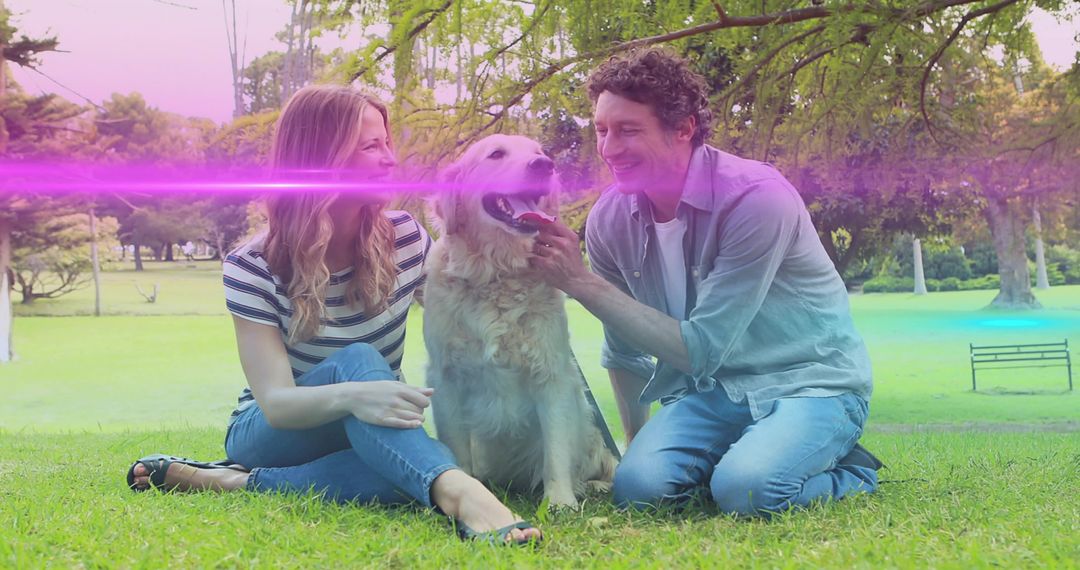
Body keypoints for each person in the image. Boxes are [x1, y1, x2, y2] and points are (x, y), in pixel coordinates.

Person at [126, 85, 542, 545]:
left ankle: (232, 481)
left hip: (368, 425)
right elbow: (278, 404)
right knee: (360, 359)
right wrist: (353, 396)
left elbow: (472, 314)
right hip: (270, 431)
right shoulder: (252, 265)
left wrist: (535, 280)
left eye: (387, 143)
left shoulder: (406, 238)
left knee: (411, 472)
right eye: (371, 146)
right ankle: (464, 497)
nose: (390, 159)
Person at [529, 48, 882, 517]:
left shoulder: (757, 200)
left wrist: (580, 282)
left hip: (810, 383)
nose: (609, 148)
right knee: (639, 490)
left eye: (628, 130)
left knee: (750, 492)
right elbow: (624, 348)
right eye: (602, 130)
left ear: (684, 128)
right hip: (713, 394)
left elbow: (702, 349)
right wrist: (638, 449)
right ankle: (747, 455)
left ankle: (852, 471)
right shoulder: (611, 220)